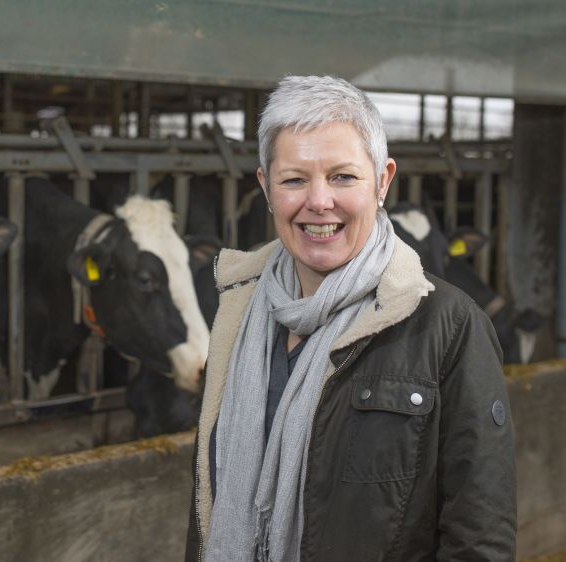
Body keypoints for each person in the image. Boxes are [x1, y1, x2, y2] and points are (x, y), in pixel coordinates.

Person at [185, 75, 516, 561]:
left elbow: (479, 538)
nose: (319, 202)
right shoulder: (236, 313)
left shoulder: (448, 325)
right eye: (295, 179)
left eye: (343, 176)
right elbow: (204, 505)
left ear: (382, 180)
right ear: (265, 186)